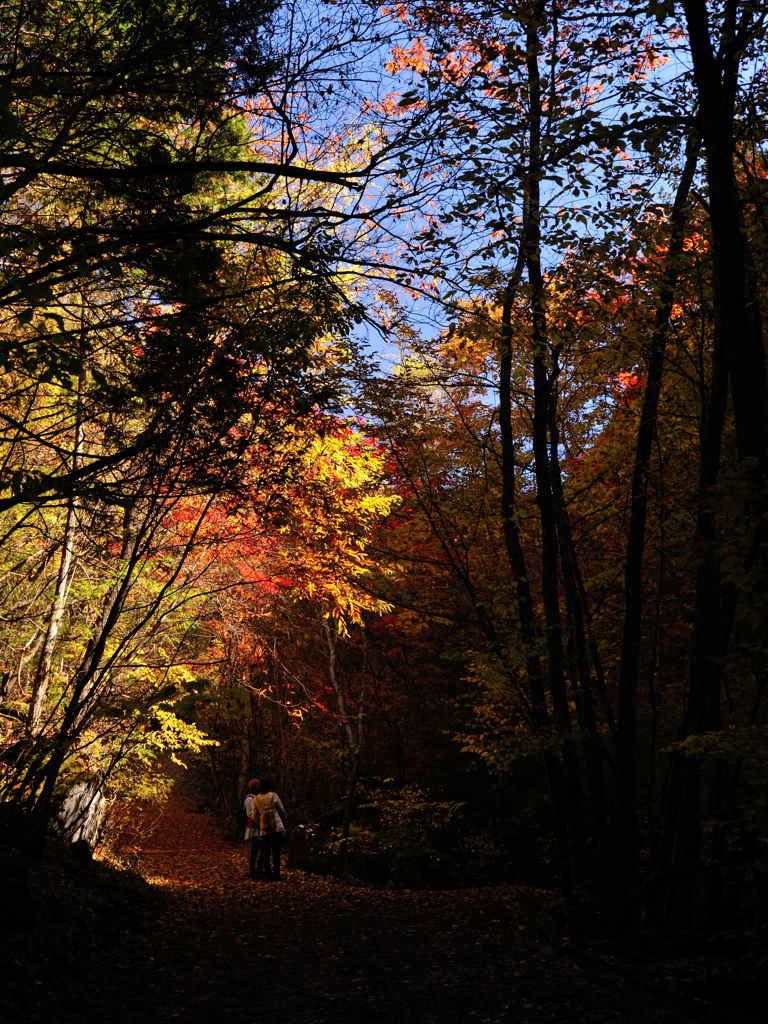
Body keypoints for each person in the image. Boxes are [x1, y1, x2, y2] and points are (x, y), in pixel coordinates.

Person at [253, 777, 287, 881]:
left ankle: (268, 875)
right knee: (276, 851)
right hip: (277, 828)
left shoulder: (256, 799)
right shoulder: (274, 795)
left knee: (266, 852)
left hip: (264, 830)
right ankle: (276, 874)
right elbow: (281, 810)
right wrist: (284, 823)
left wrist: (261, 823)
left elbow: (254, 815)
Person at [244, 778, 264, 878]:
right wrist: (261, 820)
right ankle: (251, 869)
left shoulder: (256, 798)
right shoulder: (249, 799)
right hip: (254, 827)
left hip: (259, 827)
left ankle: (259, 868)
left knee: (263, 848)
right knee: (254, 849)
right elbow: (250, 814)